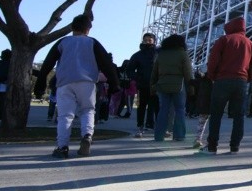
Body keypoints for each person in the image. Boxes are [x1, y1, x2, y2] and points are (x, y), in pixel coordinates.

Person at [34, 14, 119, 158]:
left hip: (65, 83)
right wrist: (114, 82)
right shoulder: (92, 43)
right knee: (88, 111)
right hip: (87, 82)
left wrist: (40, 83)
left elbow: (48, 63)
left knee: (65, 116)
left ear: (72, 27)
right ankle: (86, 136)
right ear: (88, 29)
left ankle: (62, 147)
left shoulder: (63, 42)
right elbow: (106, 63)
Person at [201, 17, 252, 154]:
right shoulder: (251, 44)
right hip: (241, 82)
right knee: (239, 115)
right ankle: (234, 146)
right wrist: (247, 78)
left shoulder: (224, 40)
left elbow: (213, 60)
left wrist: (212, 76)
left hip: (222, 80)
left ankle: (212, 146)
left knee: (216, 114)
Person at [151, 34, 192, 142]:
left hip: (162, 85)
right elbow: (188, 73)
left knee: (163, 109)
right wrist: (192, 88)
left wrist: (153, 86)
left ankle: (158, 135)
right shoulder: (183, 54)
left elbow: (154, 73)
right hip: (179, 86)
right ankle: (179, 135)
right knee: (179, 110)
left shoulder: (161, 55)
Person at [127, 33, 159, 138]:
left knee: (157, 107)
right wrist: (137, 78)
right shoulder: (138, 55)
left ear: (154, 41)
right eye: (146, 40)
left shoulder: (159, 53)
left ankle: (159, 128)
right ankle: (140, 126)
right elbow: (130, 69)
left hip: (157, 85)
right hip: (143, 85)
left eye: (150, 40)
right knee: (141, 107)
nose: (148, 42)